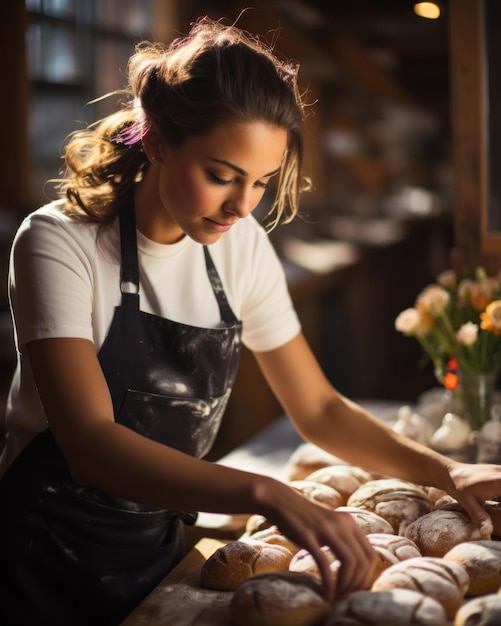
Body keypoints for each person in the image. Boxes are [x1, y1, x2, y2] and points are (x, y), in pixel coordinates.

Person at [1, 15, 500, 626]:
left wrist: (447, 470)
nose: (241, 206)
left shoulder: (239, 247)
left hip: (158, 544)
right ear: (156, 142)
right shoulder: (59, 242)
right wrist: (265, 491)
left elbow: (317, 409)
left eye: (260, 182)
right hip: (41, 558)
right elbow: (91, 446)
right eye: (220, 176)